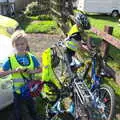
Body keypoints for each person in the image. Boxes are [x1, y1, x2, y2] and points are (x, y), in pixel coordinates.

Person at [0, 30, 42, 120]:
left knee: (32, 109)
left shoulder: (31, 57)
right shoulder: (10, 60)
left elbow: (40, 69)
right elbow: (1, 73)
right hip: (17, 92)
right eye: (17, 45)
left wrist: (32, 71)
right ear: (13, 45)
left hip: (30, 90)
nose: (20, 47)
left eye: (22, 44)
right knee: (18, 112)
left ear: (26, 44)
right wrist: (13, 71)